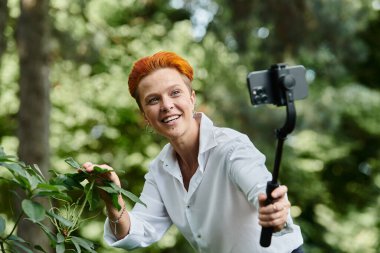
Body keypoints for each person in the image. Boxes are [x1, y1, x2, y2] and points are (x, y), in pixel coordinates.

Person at [82, 51, 304, 253]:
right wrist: (113, 200)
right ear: (145, 116)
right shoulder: (160, 170)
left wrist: (275, 212)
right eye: (153, 99)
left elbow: (261, 191)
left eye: (175, 93)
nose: (167, 105)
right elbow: (138, 231)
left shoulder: (232, 147)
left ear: (192, 98)